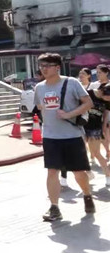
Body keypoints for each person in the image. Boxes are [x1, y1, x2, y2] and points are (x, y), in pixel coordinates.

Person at [34, 53, 95, 222]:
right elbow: (40, 106)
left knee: (79, 172)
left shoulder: (72, 82)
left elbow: (88, 103)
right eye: (42, 66)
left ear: (57, 67)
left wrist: (69, 114)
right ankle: (54, 207)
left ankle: (87, 195)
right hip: (50, 136)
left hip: (72, 135)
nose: (44, 69)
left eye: (47, 66)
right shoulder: (39, 87)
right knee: (52, 171)